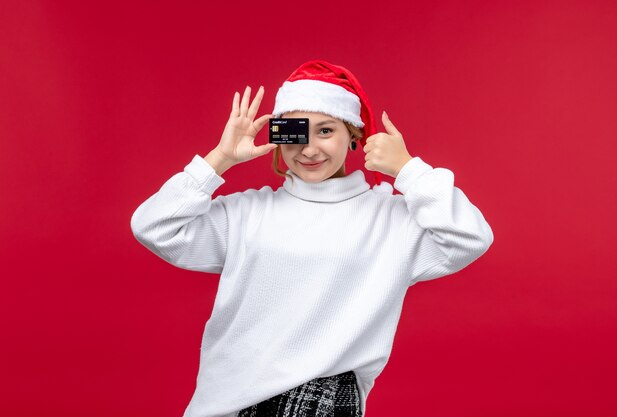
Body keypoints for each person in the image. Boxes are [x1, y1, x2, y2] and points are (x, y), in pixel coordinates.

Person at [130, 60, 494, 417]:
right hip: (225, 402)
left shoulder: (391, 221)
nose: (309, 149)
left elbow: (470, 237)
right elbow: (153, 226)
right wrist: (219, 159)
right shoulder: (246, 213)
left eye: (325, 131)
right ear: (278, 137)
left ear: (353, 135)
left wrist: (409, 170)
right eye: (295, 132)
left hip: (323, 398)